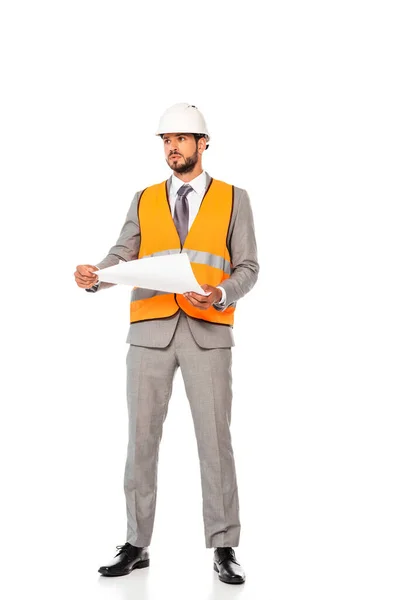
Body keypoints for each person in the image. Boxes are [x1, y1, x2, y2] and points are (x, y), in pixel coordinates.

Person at [74, 103, 259, 585]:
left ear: (203, 143)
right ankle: (136, 544)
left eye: (180, 138)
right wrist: (97, 276)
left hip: (208, 332)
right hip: (150, 334)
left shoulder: (235, 199)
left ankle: (224, 547)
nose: (171, 147)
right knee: (141, 441)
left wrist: (220, 293)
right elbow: (123, 253)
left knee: (216, 443)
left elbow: (248, 268)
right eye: (165, 140)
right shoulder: (144, 198)